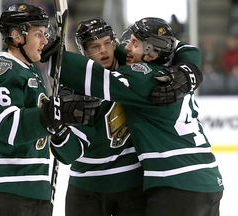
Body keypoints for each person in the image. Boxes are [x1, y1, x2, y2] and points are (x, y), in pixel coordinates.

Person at [44, 17, 223, 216]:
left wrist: (54, 57)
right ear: (84, 52)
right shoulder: (172, 71)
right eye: (94, 46)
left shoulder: (137, 74)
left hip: (172, 180)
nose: (125, 47)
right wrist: (190, 68)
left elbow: (101, 80)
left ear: (151, 52)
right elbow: (177, 45)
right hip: (205, 178)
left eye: (108, 43)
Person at [0, 3, 100, 216]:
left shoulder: (32, 74)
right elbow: (7, 127)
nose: (45, 41)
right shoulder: (2, 70)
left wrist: (60, 125)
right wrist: (53, 113)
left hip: (34, 188)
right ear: (17, 36)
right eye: (38, 34)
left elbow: (67, 152)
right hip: (2, 186)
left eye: (45, 34)